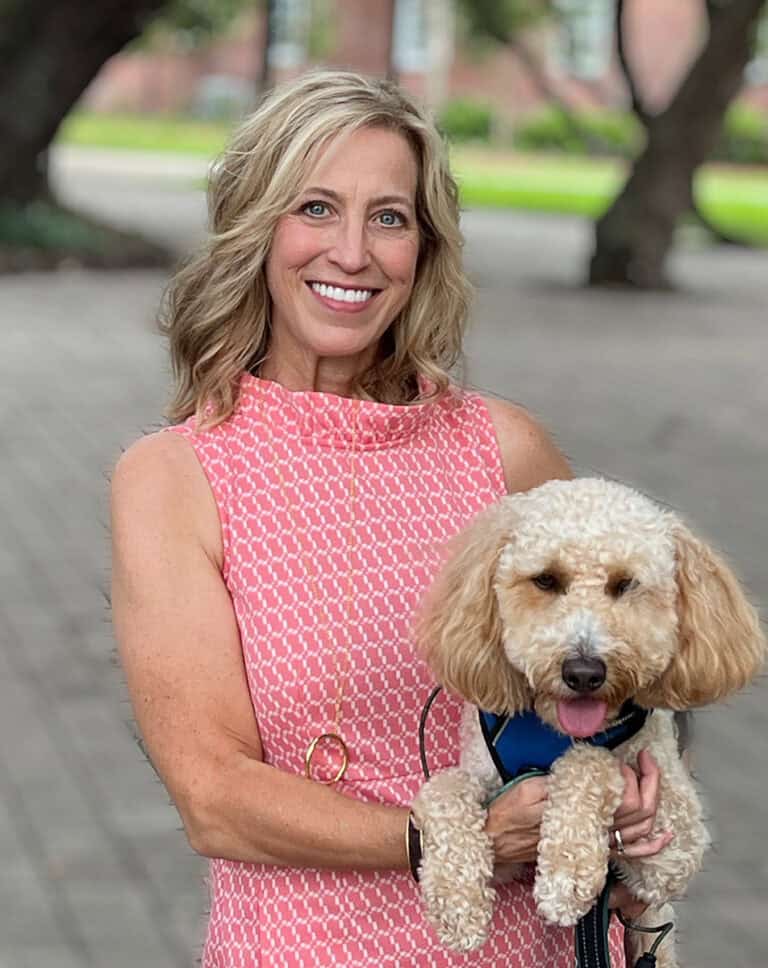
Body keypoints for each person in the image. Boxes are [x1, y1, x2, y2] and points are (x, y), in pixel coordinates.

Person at [111, 71, 670, 967]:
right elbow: (213, 797)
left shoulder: (505, 450)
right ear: (257, 227)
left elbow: (635, 671)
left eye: (389, 217)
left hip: (538, 946)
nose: (353, 253)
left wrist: (638, 804)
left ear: (425, 246)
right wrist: (456, 841)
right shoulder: (176, 478)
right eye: (316, 208)